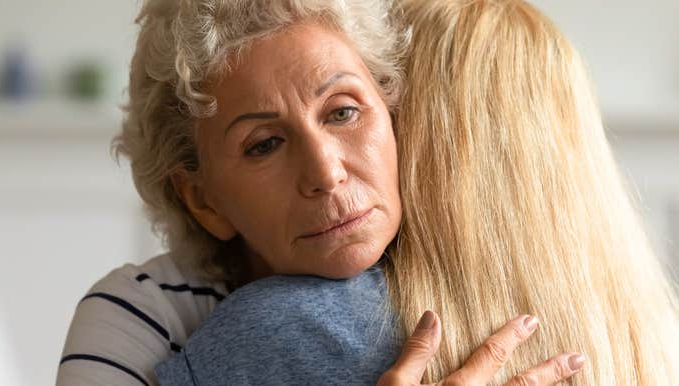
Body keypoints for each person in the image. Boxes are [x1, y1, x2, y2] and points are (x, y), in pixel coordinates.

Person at [57, 0, 678, 385]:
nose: (326, 171)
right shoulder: (141, 315)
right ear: (203, 201)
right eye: (263, 145)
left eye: (344, 112)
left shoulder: (461, 294)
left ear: (394, 112)